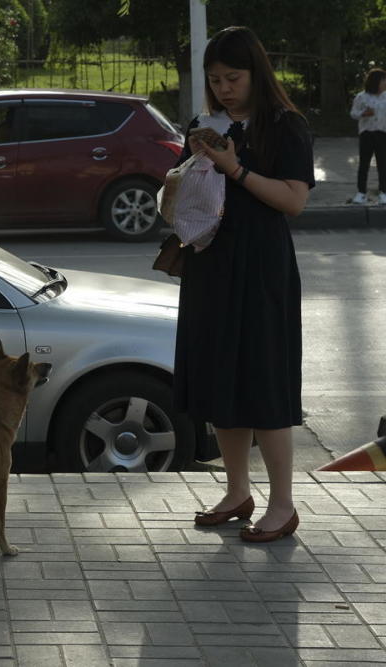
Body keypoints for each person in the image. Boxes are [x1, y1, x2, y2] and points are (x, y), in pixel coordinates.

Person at [174, 27, 314, 543]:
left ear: (257, 73)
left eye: (233, 78)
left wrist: (234, 168)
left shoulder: (285, 125)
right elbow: (184, 191)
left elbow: (293, 201)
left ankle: (282, 505)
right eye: (215, 80)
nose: (224, 89)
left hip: (261, 269)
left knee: (264, 381)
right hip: (211, 262)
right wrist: (189, 166)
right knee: (221, 381)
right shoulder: (204, 124)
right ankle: (237, 492)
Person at [349, 68, 386, 205]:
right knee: (364, 164)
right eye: (383, 80)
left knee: (383, 164)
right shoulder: (362, 97)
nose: (385, 83)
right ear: (376, 81)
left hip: (382, 133)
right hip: (367, 134)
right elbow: (353, 113)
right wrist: (364, 113)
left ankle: (383, 193)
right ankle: (361, 193)